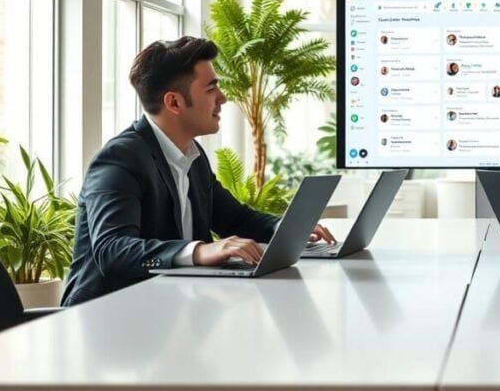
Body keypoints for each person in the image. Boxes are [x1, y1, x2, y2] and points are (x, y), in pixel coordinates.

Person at [61, 37, 335, 307]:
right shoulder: (120, 158)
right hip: (108, 314)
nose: (223, 98)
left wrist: (286, 228)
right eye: (211, 89)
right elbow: (112, 250)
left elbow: (234, 218)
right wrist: (200, 251)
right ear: (174, 103)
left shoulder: (192, 155)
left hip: (171, 306)